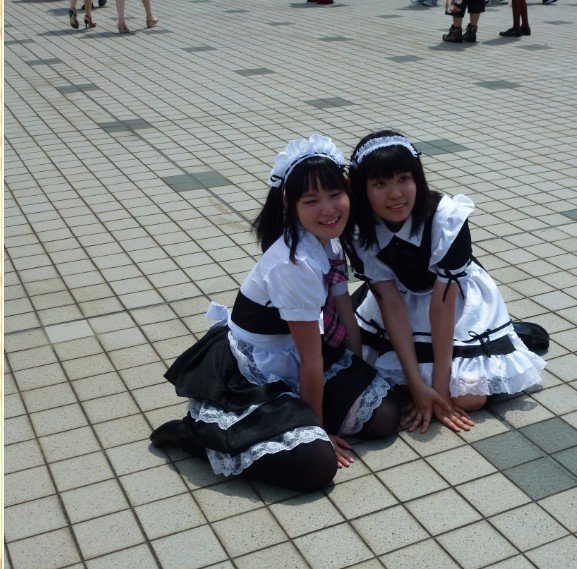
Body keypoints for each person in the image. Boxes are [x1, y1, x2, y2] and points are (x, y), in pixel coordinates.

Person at [151, 135, 399, 492]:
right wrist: (319, 430)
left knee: (385, 416)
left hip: (297, 353)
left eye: (335, 195)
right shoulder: (294, 264)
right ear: (289, 204)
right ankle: (198, 437)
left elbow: (346, 315)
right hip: (254, 370)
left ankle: (295, 421)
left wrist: (358, 372)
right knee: (317, 466)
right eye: (311, 201)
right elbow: (311, 361)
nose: (328, 209)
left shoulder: (328, 241)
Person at [345, 130, 545, 434]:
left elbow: (442, 307)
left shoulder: (447, 217)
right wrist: (416, 385)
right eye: (380, 184)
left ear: (417, 177)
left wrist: (439, 392)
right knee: (396, 380)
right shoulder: (360, 229)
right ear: (362, 188)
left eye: (403, 178)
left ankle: (503, 340)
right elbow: (391, 304)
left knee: (467, 398)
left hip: (455, 300)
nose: (395, 194)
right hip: (398, 301)